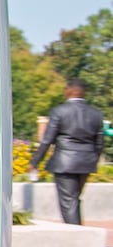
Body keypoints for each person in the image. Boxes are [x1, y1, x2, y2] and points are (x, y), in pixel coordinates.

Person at [30, 78, 105, 225]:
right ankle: (78, 231)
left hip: (65, 162)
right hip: (86, 162)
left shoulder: (59, 111)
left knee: (68, 201)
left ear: (68, 91)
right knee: (74, 198)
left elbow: (47, 140)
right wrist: (92, 160)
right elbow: (100, 143)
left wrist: (35, 161)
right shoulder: (96, 114)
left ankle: (76, 235)